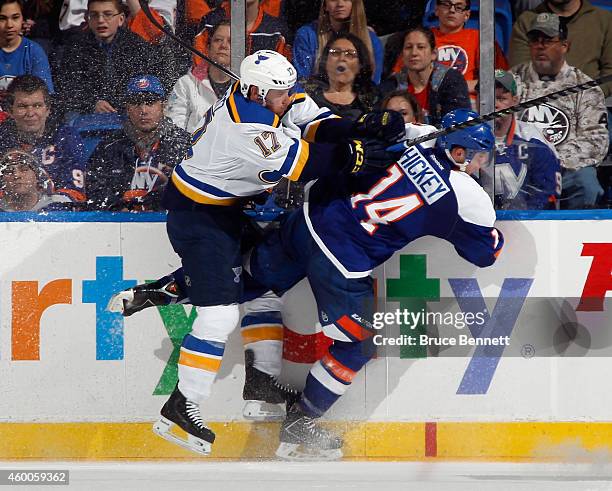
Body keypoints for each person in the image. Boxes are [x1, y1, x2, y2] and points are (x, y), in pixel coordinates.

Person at [108, 108, 504, 460]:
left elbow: (383, 132)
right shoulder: (467, 194)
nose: (479, 165)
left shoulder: (415, 137)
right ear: (457, 153)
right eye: (477, 157)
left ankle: (160, 292)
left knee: (241, 282)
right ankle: (300, 427)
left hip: (306, 222)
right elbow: (485, 254)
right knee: (357, 344)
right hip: (343, 262)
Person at [109, 49, 405, 456]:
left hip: (225, 211)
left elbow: (314, 123)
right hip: (198, 218)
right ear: (257, 91)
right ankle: (181, 406)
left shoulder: (260, 96)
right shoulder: (246, 126)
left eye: (286, 92)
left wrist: (360, 125)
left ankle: (256, 379)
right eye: (280, 94)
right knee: (219, 314)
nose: (287, 99)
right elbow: (306, 162)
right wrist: (356, 154)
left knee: (260, 281)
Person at [512, 13, 608, 208]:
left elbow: (596, 140)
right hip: (520, 164)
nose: (540, 46)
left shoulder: (584, 86)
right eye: (535, 40)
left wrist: (552, 161)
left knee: (586, 183)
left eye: (548, 40)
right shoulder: (512, 81)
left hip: (568, 169)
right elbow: (499, 126)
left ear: (565, 45)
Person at [86, 75, 190, 211]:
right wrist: (116, 208)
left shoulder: (185, 146)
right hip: (119, 225)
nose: (143, 110)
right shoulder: (109, 147)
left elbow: (191, 191)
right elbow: (94, 190)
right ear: (128, 108)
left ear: (163, 106)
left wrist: (153, 204)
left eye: (150, 102)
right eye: (136, 103)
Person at [55, 0, 166, 116]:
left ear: (121, 19)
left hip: (129, 115)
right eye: (94, 15)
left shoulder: (138, 47)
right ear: (87, 19)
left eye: (108, 14)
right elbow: (68, 88)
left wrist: (127, 104)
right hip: (87, 115)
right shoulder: (74, 48)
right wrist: (93, 103)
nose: (100, 20)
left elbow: (146, 85)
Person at [0, 75, 87, 203]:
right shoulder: (2, 138)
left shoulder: (66, 137)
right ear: (10, 110)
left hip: (52, 219)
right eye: (22, 106)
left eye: (37, 105)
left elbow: (74, 194)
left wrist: (40, 214)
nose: (30, 113)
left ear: (48, 109)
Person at [484, 69, 561, 210]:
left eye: (501, 99)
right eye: (487, 98)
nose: (494, 105)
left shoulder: (534, 140)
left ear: (515, 101)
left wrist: (522, 220)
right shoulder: (465, 137)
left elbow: (546, 195)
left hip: (527, 224)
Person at [509, 0, 612, 97]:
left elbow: (609, 74)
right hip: (537, 104)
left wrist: (586, 98)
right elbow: (520, 73)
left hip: (588, 104)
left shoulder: (604, 19)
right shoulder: (526, 21)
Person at [380, 26, 470, 127]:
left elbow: (459, 124)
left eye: (421, 47)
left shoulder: (451, 80)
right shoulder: (392, 85)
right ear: (402, 54)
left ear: (434, 53)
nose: (414, 53)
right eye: (408, 47)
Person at [293, 0, 383, 84]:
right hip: (315, 97)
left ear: (355, 4)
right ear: (325, 5)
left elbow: (374, 84)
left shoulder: (372, 40)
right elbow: (301, 80)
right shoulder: (307, 35)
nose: (340, 4)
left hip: (358, 97)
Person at [166, 20, 231, 133]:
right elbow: (174, 129)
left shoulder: (247, 88)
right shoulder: (186, 84)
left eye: (231, 41)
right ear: (208, 47)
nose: (223, 45)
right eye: (218, 40)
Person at [302, 32, 379, 120]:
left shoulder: (370, 100)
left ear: (360, 65)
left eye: (350, 54)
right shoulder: (307, 93)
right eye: (335, 53)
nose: (342, 58)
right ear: (326, 60)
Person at [193, 0, 290, 68]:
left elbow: (282, 73)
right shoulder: (210, 22)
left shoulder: (276, 31)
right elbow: (199, 68)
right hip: (212, 90)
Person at [0, 0, 54, 109]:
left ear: (22, 19)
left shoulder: (34, 51)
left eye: (15, 17)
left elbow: (43, 99)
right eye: (2, 19)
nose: (9, 25)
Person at [0, 149, 73, 211]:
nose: (17, 175)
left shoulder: (60, 204)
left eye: (24, 169)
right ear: (2, 180)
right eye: (8, 171)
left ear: (37, 177)